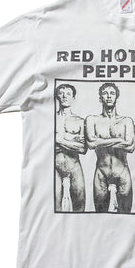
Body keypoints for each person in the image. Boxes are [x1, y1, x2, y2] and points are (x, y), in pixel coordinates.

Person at [85, 83, 135, 213]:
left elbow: (130, 146)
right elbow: (91, 144)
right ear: (100, 98)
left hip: (122, 172)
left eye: (112, 93)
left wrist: (99, 141)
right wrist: (119, 140)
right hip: (102, 172)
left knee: (126, 215)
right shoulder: (92, 120)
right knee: (100, 215)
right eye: (105, 93)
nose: (108, 96)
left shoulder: (126, 121)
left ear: (117, 98)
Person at [55, 84, 87, 212]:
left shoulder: (79, 121)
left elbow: (83, 149)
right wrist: (72, 139)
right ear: (57, 96)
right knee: (55, 205)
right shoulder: (52, 118)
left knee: (80, 205)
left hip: (74, 166)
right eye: (61, 93)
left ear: (73, 98)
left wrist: (60, 140)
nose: (64, 96)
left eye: (68, 94)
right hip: (55, 166)